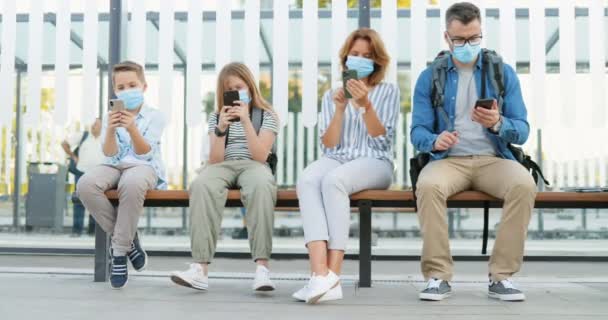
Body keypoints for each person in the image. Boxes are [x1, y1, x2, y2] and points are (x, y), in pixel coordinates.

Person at [411, 2, 535, 302]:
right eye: (460, 39)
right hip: (449, 161)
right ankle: (437, 276)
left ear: (481, 33)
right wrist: (434, 140)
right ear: (447, 37)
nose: (468, 45)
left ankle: (501, 277)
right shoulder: (430, 77)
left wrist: (498, 123)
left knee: (524, 184)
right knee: (427, 185)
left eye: (474, 38)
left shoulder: (502, 73)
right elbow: (417, 132)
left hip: (493, 159)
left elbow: (522, 128)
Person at [294, 28, 400, 304]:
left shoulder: (388, 92)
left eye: (367, 55)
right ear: (346, 58)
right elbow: (329, 145)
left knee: (333, 181)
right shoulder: (332, 93)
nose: (360, 59)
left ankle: (334, 275)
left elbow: (381, 139)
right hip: (339, 157)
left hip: (376, 162)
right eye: (355, 54)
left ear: (377, 61)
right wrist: (340, 109)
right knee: (307, 179)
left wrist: (365, 105)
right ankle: (319, 275)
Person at [170, 62, 279, 292]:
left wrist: (246, 120)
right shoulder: (216, 116)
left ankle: (262, 268)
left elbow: (260, 156)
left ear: (250, 86)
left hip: (253, 165)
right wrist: (220, 129)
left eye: (239, 86)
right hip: (223, 165)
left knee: (261, 185)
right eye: (230, 89)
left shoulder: (267, 115)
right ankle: (200, 269)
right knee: (201, 184)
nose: (236, 92)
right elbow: (216, 160)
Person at [77, 61, 167, 289]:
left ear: (144, 86)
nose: (127, 90)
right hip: (114, 165)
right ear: (116, 91)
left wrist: (132, 128)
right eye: (122, 87)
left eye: (132, 85)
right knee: (86, 184)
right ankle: (129, 241)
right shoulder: (110, 117)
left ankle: (118, 253)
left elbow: (145, 152)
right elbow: (109, 153)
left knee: (132, 182)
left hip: (144, 166)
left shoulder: (156, 116)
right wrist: (109, 129)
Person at [61, 118, 103, 236]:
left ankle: (93, 231)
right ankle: (77, 230)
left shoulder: (106, 138)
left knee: (96, 202)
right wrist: (73, 156)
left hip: (98, 175)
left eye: (96, 124)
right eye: (93, 123)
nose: (93, 125)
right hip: (82, 173)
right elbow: (64, 143)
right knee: (79, 201)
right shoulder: (83, 135)